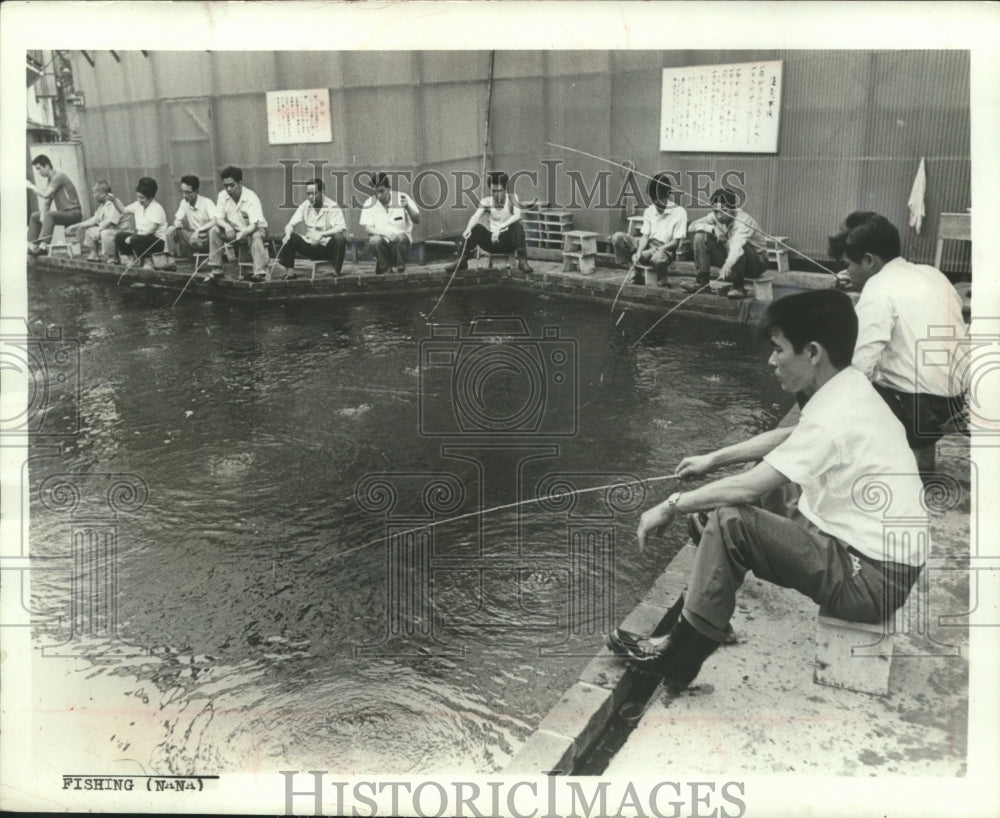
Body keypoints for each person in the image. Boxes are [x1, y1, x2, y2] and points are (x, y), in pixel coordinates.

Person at [606, 289, 927, 695]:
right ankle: (708, 610)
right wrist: (713, 459)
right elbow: (791, 436)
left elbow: (751, 485)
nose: (771, 361)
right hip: (875, 556)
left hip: (871, 581)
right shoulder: (849, 388)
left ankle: (680, 655)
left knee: (729, 520)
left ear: (812, 352)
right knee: (729, 504)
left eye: (778, 350)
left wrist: (671, 504)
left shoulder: (839, 411)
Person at [828, 211, 967, 479]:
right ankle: (922, 458)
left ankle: (875, 468)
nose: (846, 271)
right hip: (955, 401)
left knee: (831, 377)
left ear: (869, 260)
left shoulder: (878, 289)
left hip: (921, 409)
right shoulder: (933, 274)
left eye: (848, 264)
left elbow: (860, 363)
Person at [683, 187, 768, 299]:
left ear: (733, 208)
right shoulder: (716, 216)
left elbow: (736, 248)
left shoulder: (742, 221)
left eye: (724, 211)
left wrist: (727, 266)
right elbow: (692, 227)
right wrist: (712, 228)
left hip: (755, 264)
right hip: (733, 259)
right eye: (716, 211)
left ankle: (738, 287)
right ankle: (702, 283)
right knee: (700, 236)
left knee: (737, 245)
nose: (719, 215)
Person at [610, 173, 687, 286]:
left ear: (667, 195)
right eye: (653, 199)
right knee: (618, 238)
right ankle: (633, 268)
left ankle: (649, 274)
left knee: (658, 259)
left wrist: (654, 250)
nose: (656, 202)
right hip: (648, 245)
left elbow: (675, 243)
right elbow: (645, 236)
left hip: (665, 249)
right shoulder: (649, 211)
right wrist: (639, 251)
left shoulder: (679, 212)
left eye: (659, 198)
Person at [450, 171, 533, 274]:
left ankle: (522, 261)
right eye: (493, 191)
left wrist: (500, 228)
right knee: (475, 228)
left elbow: (518, 215)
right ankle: (462, 260)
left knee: (517, 227)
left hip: (507, 242)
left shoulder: (512, 198)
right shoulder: (486, 201)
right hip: (491, 243)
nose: (496, 194)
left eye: (499, 191)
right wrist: (468, 228)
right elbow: (475, 216)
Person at [274, 177, 347, 278]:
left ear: (322, 192)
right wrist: (287, 233)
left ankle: (336, 271)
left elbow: (341, 228)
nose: (310, 197)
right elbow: (290, 224)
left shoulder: (333, 206)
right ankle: (290, 272)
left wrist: (321, 234)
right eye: (308, 194)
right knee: (290, 237)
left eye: (314, 193)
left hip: (327, 247)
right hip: (310, 246)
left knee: (340, 239)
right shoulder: (305, 206)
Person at [208, 165, 269, 282]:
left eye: (232, 185)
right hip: (235, 231)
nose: (229, 189)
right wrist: (226, 226)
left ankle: (259, 273)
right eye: (226, 186)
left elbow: (254, 224)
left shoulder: (251, 197)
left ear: (240, 182)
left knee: (256, 235)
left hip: (255, 230)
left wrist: (243, 233)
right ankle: (217, 269)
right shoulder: (222, 195)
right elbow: (218, 218)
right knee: (214, 230)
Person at [358, 172, 420, 274]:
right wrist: (385, 233)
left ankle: (401, 268)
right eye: (376, 192)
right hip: (382, 240)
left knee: (400, 239)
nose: (379, 195)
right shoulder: (369, 203)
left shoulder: (402, 197)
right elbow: (368, 228)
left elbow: (417, 219)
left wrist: (408, 207)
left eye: (382, 191)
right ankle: (385, 270)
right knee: (374, 241)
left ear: (389, 188)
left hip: (401, 240)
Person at [27, 154, 83, 256]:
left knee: (50, 215)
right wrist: (42, 214)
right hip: (64, 214)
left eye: (39, 169)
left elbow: (45, 194)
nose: (39, 172)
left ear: (47, 166)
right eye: (37, 170)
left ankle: (43, 247)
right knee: (35, 216)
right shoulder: (51, 180)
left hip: (74, 214)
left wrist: (31, 186)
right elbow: (47, 201)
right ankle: (32, 246)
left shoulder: (59, 176)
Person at [112, 177, 168, 269]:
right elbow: (123, 210)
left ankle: (147, 262)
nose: (139, 200)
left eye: (142, 198)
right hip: (141, 238)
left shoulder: (157, 208)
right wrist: (114, 200)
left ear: (150, 197)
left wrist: (133, 237)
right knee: (120, 236)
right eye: (138, 197)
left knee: (135, 239)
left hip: (157, 242)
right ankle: (131, 260)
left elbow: (150, 230)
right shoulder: (138, 205)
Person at [64, 181, 121, 261]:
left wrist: (100, 230)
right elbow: (95, 219)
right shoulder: (102, 206)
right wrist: (78, 226)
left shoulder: (113, 203)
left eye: (95, 193)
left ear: (102, 193)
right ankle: (94, 254)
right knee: (90, 230)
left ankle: (112, 257)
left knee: (104, 233)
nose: (94, 196)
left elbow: (111, 222)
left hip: (117, 230)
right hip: (107, 230)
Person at [164, 175, 216, 260]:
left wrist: (199, 230)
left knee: (210, 233)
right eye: (183, 192)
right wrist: (177, 223)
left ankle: (211, 260)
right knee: (170, 230)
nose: (184, 195)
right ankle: (170, 259)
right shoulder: (184, 203)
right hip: (192, 236)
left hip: (205, 237)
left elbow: (215, 221)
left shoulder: (207, 202)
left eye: (188, 192)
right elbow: (177, 219)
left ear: (196, 191)